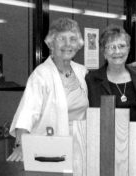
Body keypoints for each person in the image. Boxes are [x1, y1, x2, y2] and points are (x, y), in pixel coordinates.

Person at [7, 17, 89, 161]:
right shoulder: (41, 74)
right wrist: (21, 146)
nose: (67, 44)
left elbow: (107, 80)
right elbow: (27, 112)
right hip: (48, 151)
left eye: (72, 39)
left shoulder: (82, 72)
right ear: (51, 44)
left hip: (79, 149)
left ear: (78, 45)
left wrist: (130, 69)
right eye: (61, 39)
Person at [85, 25, 136, 123]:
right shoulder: (92, 80)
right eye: (111, 47)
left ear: (128, 48)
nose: (117, 51)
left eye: (122, 46)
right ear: (104, 52)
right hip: (105, 137)